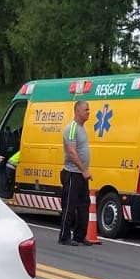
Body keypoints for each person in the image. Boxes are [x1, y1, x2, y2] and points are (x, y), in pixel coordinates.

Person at [57, 100, 92, 246]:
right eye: (86, 109)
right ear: (77, 111)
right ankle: (64, 236)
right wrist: (83, 169)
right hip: (73, 173)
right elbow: (71, 151)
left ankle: (79, 235)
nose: (88, 112)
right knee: (70, 206)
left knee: (84, 204)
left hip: (81, 174)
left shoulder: (82, 128)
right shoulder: (71, 128)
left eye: (88, 109)